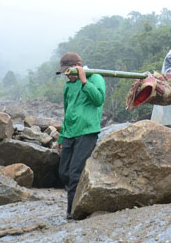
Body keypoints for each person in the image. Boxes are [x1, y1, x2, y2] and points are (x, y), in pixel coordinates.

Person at [55, 52, 106, 220]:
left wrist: (85, 81)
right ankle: (83, 197)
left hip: (87, 132)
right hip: (70, 133)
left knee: (75, 173)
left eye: (68, 72)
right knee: (64, 173)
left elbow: (98, 100)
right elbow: (67, 111)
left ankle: (73, 212)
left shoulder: (95, 78)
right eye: (65, 73)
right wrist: (61, 136)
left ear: (77, 67)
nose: (66, 76)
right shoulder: (69, 86)